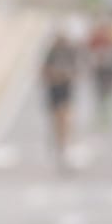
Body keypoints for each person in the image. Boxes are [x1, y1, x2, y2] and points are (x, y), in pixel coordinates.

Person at [41, 34, 80, 168]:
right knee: (56, 119)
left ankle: (64, 144)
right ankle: (58, 143)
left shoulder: (70, 54)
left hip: (65, 90)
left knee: (65, 118)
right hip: (54, 90)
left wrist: (66, 75)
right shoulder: (51, 54)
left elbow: (76, 71)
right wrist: (55, 75)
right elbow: (44, 71)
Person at [87, 19, 112, 128]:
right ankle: (101, 112)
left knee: (109, 91)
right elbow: (89, 51)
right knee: (100, 92)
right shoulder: (95, 38)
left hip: (110, 69)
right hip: (99, 69)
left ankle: (109, 111)